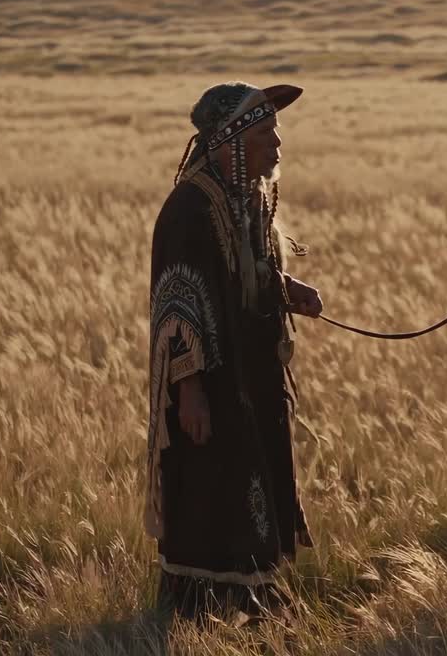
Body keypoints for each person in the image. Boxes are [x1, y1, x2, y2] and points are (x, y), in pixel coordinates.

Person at [145, 81, 324, 622]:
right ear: (231, 140)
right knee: (214, 479)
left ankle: (253, 590)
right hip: (212, 380)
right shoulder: (190, 209)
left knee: (258, 466)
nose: (277, 143)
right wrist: (190, 391)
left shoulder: (247, 199)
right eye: (266, 131)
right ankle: (206, 603)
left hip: (251, 373)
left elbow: (252, 277)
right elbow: (176, 307)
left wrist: (290, 292)